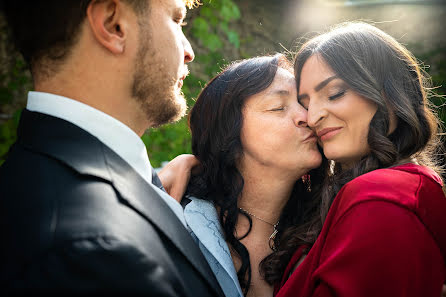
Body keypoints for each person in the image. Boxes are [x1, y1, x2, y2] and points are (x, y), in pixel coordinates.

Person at [0, 1, 225, 296]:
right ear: (113, 24)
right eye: (176, 20)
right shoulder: (95, 253)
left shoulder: (27, 178)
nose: (188, 50)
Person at [267, 22, 446, 297]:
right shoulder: (348, 194)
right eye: (307, 102)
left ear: (389, 93)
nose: (312, 118)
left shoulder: (380, 198)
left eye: (335, 93)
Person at [160, 54, 323, 297]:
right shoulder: (177, 226)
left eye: (304, 104)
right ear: (229, 135)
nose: (307, 117)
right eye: (279, 107)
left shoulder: (328, 227)